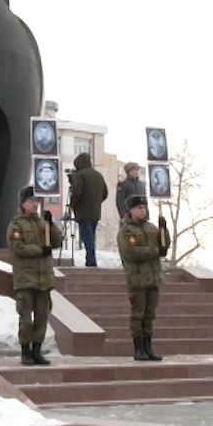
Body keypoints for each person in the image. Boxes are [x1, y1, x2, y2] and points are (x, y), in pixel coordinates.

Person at [7, 186, 56, 366]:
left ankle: (37, 350)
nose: (35, 204)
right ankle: (25, 351)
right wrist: (39, 250)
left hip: (44, 279)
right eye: (31, 201)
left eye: (37, 201)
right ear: (22, 204)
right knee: (26, 319)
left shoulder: (42, 222)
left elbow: (56, 242)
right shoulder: (16, 224)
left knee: (42, 316)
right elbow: (17, 248)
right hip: (26, 278)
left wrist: (51, 225)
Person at [118, 195, 165, 361]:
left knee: (149, 315)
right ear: (130, 210)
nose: (142, 210)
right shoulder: (126, 231)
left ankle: (148, 346)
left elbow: (163, 247)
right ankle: (138, 348)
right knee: (138, 314)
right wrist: (153, 251)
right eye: (139, 208)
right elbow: (130, 253)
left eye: (144, 207)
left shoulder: (151, 227)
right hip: (137, 279)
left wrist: (164, 232)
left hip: (153, 278)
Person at [67, 153, 108, 267]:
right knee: (91, 236)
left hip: (83, 212)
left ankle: (91, 261)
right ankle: (91, 259)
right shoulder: (98, 175)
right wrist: (96, 202)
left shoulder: (79, 175)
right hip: (95, 212)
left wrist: (72, 205)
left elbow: (77, 192)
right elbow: (105, 193)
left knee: (87, 237)